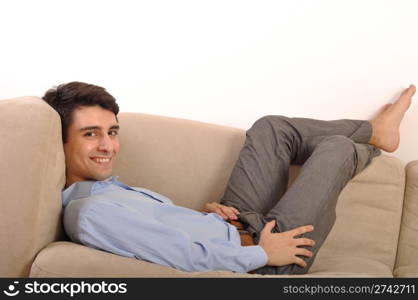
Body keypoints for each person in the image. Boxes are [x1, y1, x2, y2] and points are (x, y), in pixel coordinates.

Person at [42, 82, 416, 275]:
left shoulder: (107, 190)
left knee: (272, 129)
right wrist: (262, 253)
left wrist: (204, 218)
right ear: (60, 141)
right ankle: (372, 140)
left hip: (234, 225)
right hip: (266, 259)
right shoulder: (90, 212)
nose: (108, 145)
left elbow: (167, 237)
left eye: (112, 131)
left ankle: (372, 132)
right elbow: (186, 261)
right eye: (90, 134)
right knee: (335, 149)